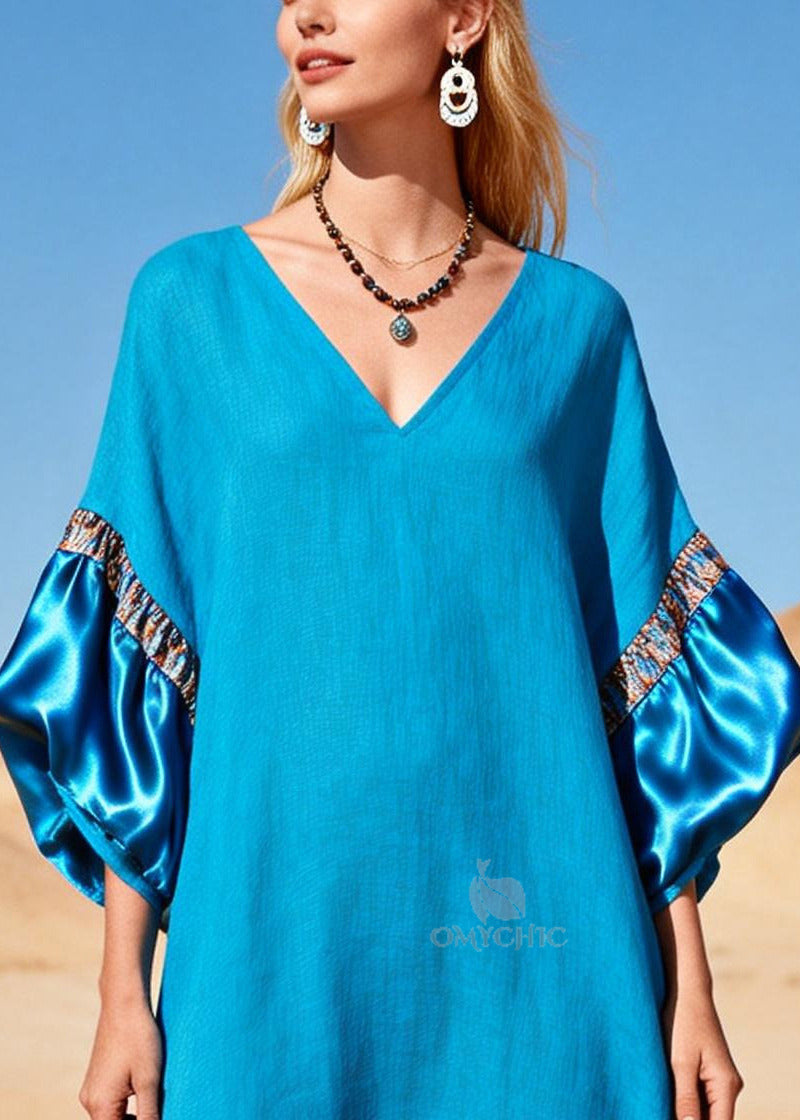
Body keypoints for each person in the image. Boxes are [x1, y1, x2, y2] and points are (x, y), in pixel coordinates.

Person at [1, 2, 798, 1118]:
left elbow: (638, 691)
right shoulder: (188, 305)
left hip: (548, 969)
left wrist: (690, 991)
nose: (306, 15)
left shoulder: (580, 330)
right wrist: (120, 994)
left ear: (463, 19)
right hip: (267, 963)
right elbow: (144, 668)